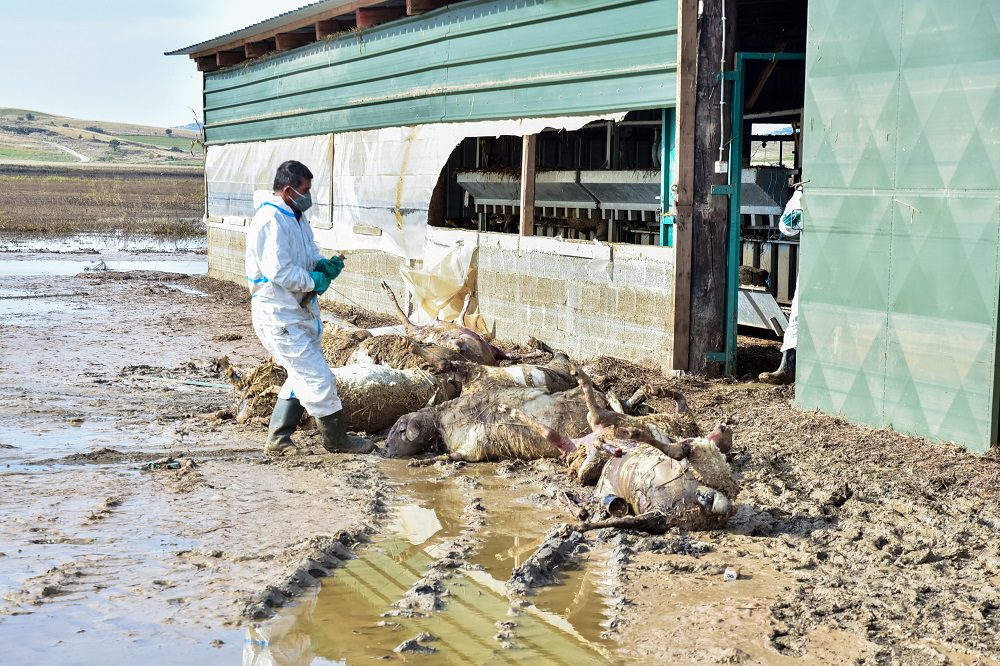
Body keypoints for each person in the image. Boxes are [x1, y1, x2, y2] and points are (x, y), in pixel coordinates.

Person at [245, 160, 373, 455]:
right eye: (305, 190)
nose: (309, 196)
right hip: (279, 314)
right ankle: (335, 440)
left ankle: (278, 438)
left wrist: (321, 266)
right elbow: (280, 271)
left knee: (300, 375)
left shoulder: (295, 216)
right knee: (318, 378)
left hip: (297, 312)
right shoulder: (271, 220)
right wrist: (312, 280)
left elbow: (307, 255)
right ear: (288, 190)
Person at [759, 184, 803, 385]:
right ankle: (788, 367)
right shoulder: (804, 194)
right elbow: (787, 226)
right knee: (799, 313)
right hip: (818, 262)